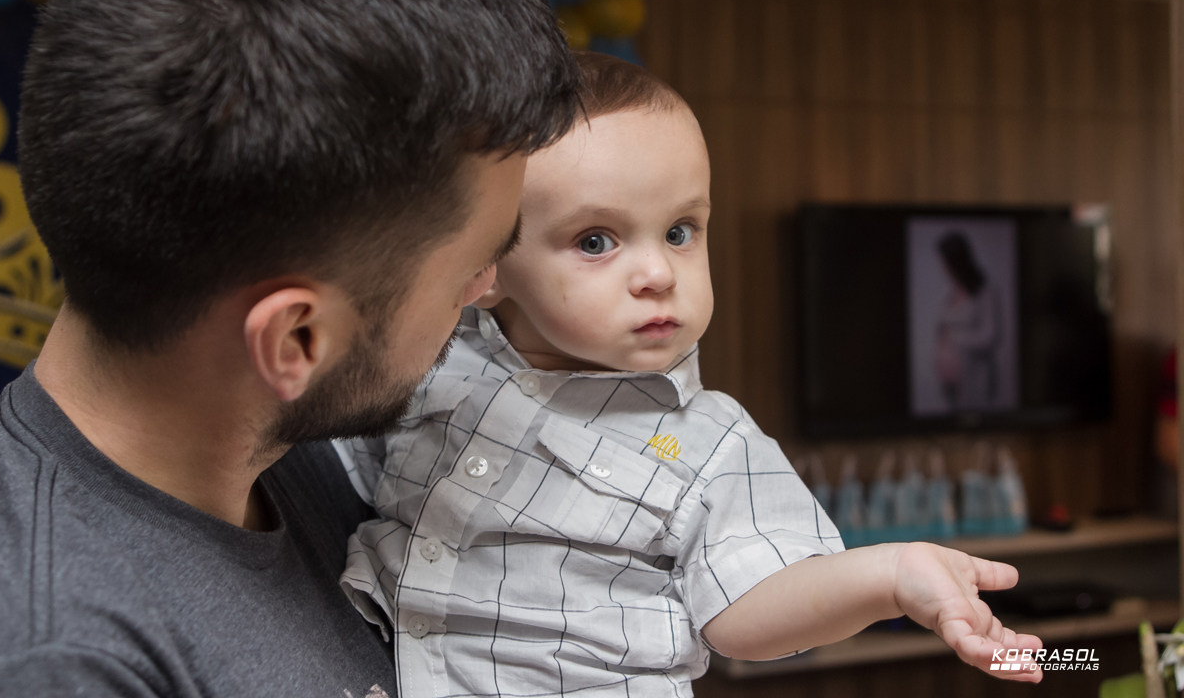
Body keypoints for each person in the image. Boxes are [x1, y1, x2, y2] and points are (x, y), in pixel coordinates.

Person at [0, 0, 580, 695]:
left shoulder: (302, 453)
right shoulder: (61, 659)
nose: (488, 291)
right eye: (471, 267)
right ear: (295, 341)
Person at [338, 53, 1043, 697]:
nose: (657, 273)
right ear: (485, 266)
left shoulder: (709, 442)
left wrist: (888, 575)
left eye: (680, 231)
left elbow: (747, 607)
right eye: (596, 241)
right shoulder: (425, 362)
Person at [934, 231, 1004, 410]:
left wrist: (954, 337)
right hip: (952, 386)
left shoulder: (986, 292)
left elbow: (990, 336)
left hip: (976, 381)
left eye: (946, 263)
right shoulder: (951, 295)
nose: (944, 269)